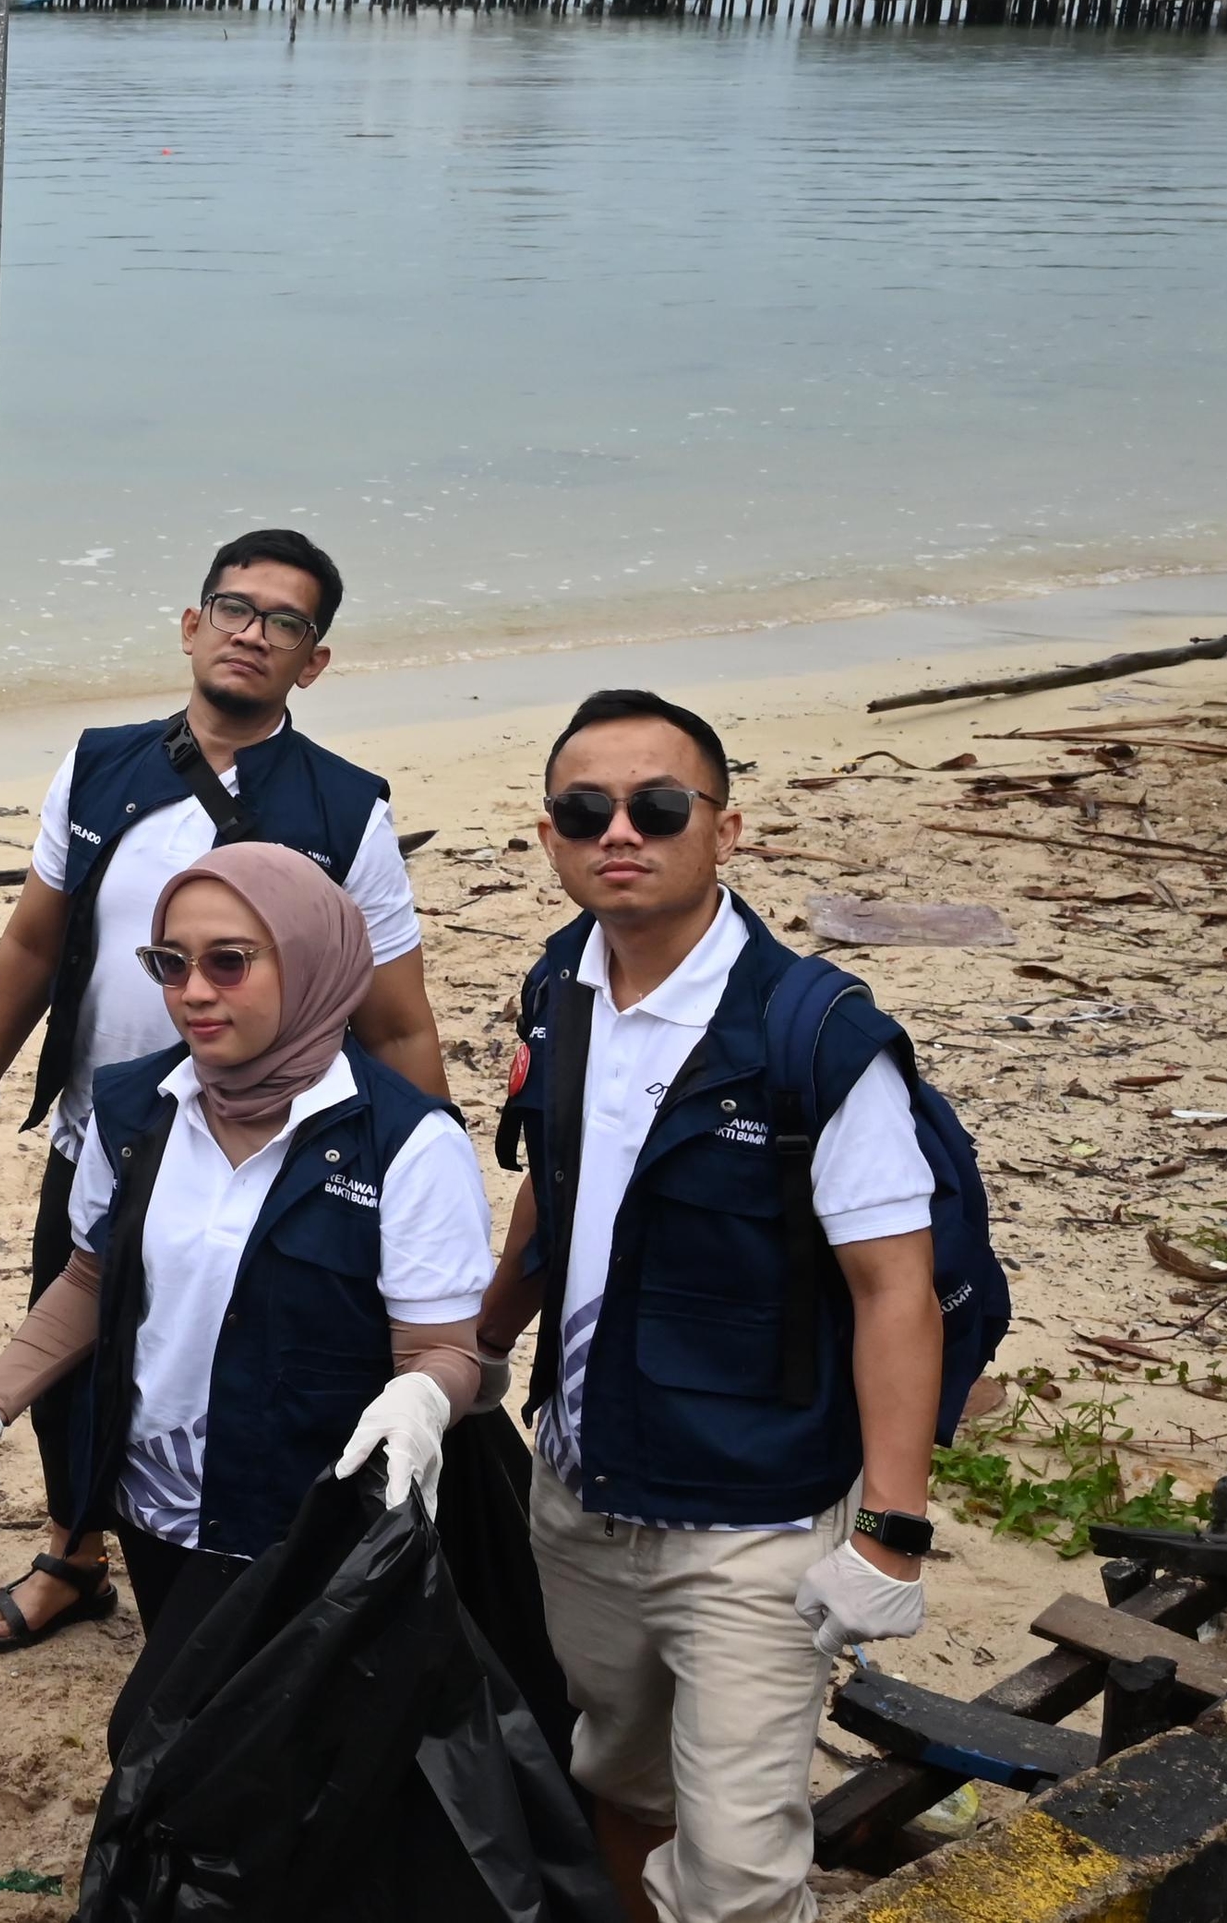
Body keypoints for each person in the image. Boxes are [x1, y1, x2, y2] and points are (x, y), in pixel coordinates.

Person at [0, 842, 493, 1744]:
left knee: (163, 1737)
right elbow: (91, 1279)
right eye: (170, 963)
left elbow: (440, 1350)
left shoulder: (407, 1146)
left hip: (301, 1516)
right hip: (153, 1498)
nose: (194, 991)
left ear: (310, 960)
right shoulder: (133, 1109)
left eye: (230, 961)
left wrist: (427, 1392)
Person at [471, 692, 937, 1923]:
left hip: (755, 1517)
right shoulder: (556, 988)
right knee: (619, 1777)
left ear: (724, 830)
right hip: (582, 1490)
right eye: (587, 810)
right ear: (550, 835)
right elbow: (551, 1192)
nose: (620, 831)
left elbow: (895, 1288)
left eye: (658, 806)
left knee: (737, 1871)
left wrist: (891, 1527)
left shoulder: (814, 1036)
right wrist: (477, 1345)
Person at [0, 528, 448, 1651]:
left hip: (267, 1161)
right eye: (234, 608)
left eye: (284, 622)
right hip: (105, 1135)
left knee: (230, 1366)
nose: (252, 633)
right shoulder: (99, 766)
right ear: (192, 626)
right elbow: (31, 947)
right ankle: (74, 1555)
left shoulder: (344, 810)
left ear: (311, 663)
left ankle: (236, 1567)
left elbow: (398, 1016)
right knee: (77, 1357)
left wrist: (419, 1168)